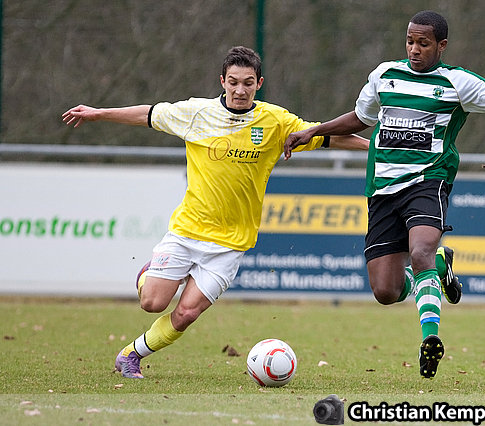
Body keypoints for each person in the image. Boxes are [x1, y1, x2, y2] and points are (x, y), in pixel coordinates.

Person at [284, 10, 485, 379]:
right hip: (382, 190)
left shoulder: (458, 83)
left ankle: (430, 337)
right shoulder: (384, 75)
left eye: (424, 43)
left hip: (429, 181)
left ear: (441, 46)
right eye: (410, 42)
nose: (414, 49)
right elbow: (360, 118)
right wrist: (313, 131)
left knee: (420, 251)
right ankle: (440, 268)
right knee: (385, 291)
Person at [62, 46, 368, 379]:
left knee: (186, 314)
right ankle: (150, 274)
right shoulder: (196, 113)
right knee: (152, 303)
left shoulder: (275, 121)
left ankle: (130, 355)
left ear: (259, 83)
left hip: (230, 244)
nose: (240, 90)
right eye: (233, 82)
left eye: (248, 83)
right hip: (187, 232)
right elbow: (147, 114)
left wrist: (375, 148)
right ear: (222, 81)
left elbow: (327, 137)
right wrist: (98, 113)